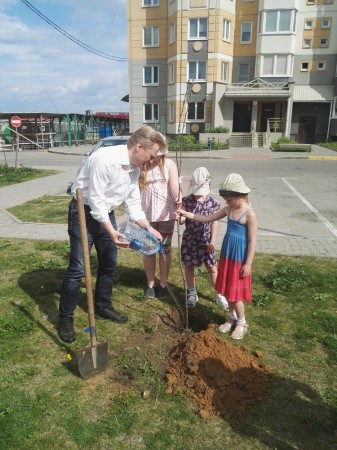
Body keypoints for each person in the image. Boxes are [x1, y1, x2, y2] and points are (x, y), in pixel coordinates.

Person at [58, 126, 167, 343]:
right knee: (77, 268)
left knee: (109, 263)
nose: (152, 160)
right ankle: (65, 318)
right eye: (152, 155)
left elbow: (133, 203)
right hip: (83, 211)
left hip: (105, 214)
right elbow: (96, 201)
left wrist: (148, 227)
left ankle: (103, 306)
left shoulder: (135, 169)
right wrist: (111, 231)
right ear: (139, 147)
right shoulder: (104, 159)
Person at [177, 173, 257, 340]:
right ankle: (232, 317)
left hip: (239, 258)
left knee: (235, 293)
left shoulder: (249, 214)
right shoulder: (228, 210)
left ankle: (242, 322)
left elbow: (252, 241)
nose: (226, 203)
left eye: (229, 199)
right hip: (228, 255)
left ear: (240, 195)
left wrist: (248, 263)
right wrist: (186, 214)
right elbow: (206, 218)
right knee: (227, 289)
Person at [179, 167, 228, 310]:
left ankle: (219, 294)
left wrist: (212, 241)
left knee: (212, 268)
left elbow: (214, 222)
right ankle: (192, 293)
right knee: (189, 266)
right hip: (190, 240)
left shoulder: (212, 203)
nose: (198, 196)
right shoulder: (186, 201)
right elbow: (181, 220)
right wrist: (179, 215)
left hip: (206, 241)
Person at [139, 152, 180, 299]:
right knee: (149, 249)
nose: (155, 158)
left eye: (158, 155)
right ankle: (150, 283)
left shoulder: (169, 165)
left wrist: (179, 201)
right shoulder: (142, 164)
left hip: (166, 214)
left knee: (165, 250)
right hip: (146, 215)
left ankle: (163, 283)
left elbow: (174, 186)